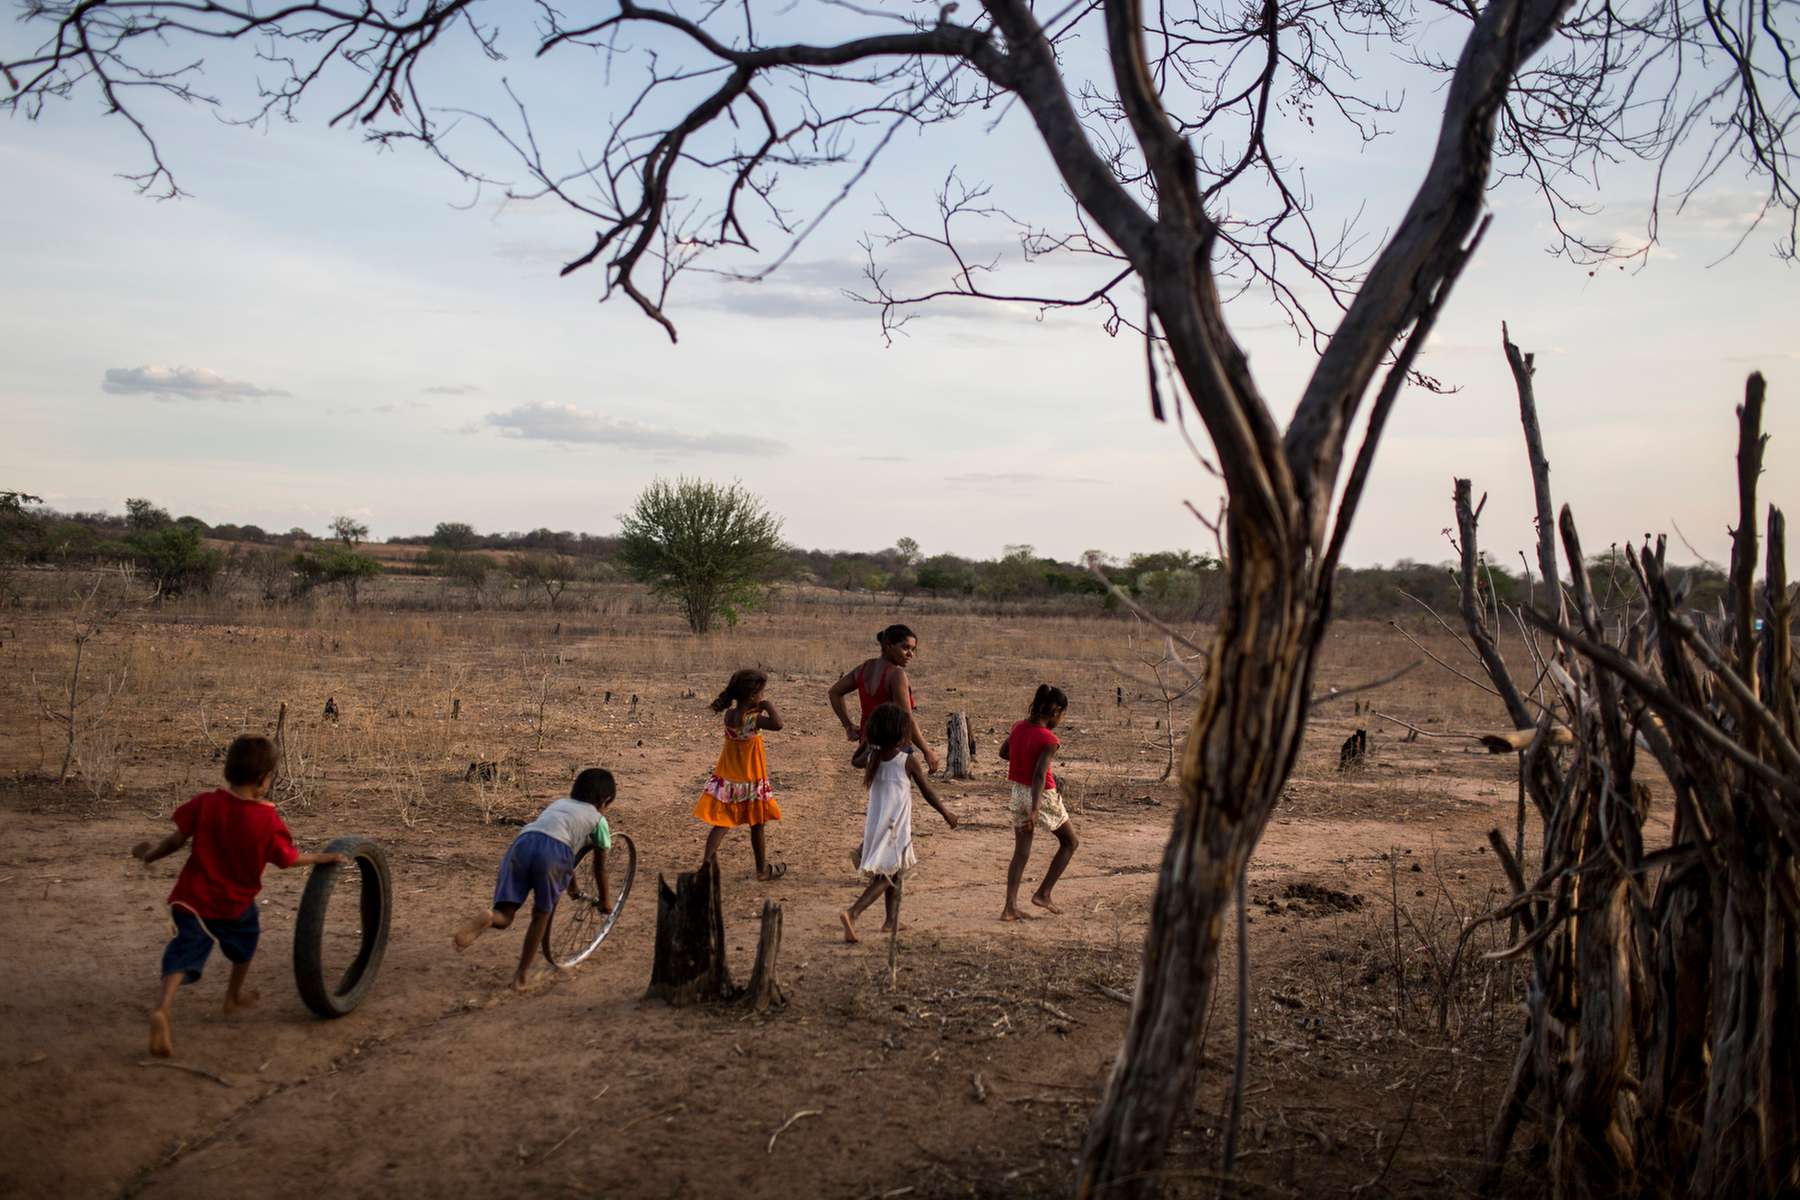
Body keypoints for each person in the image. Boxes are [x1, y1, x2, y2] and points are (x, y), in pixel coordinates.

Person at [130, 734, 347, 1058]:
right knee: (245, 946)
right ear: (262, 781)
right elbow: (287, 859)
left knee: (182, 953)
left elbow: (176, 841)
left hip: (190, 901)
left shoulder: (205, 804)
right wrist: (319, 857)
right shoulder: (266, 821)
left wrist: (149, 856)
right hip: (233, 906)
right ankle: (233, 995)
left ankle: (162, 1007)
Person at [454, 767, 616, 990]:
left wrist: (573, 887)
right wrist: (606, 900)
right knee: (541, 915)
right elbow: (598, 868)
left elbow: (565, 853)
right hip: (554, 853)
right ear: (605, 801)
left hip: (523, 843)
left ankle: (490, 916)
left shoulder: (559, 805)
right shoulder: (598, 821)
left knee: (506, 915)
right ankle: (521, 976)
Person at [840, 702, 958, 944]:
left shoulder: (872, 756)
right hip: (895, 826)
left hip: (876, 823)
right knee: (888, 874)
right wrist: (946, 812)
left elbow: (854, 760)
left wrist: (868, 741)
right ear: (901, 735)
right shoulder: (906, 761)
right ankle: (853, 913)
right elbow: (928, 793)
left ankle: (890, 920)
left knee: (896, 869)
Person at [692, 669, 788, 880]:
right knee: (757, 826)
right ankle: (762, 870)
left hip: (729, 780)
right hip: (751, 780)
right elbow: (778, 724)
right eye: (761, 693)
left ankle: (706, 864)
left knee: (722, 824)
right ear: (754, 696)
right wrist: (768, 706)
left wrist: (756, 704)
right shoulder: (753, 719)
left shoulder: (729, 716)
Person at [999, 684, 1080, 921]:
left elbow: (1004, 753)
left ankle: (1009, 907)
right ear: (1056, 711)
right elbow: (1039, 775)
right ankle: (1043, 893)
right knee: (1070, 842)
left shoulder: (1018, 727)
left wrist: (1023, 757)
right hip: (1041, 796)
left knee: (1021, 851)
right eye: (1062, 715)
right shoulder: (1049, 739)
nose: (1061, 720)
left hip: (1018, 793)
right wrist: (1035, 810)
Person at [828, 623, 942, 773]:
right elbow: (906, 718)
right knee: (896, 794)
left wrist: (848, 726)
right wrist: (927, 751)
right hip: (893, 747)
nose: (910, 654)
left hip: (869, 746)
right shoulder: (896, 675)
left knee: (878, 793)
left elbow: (834, 692)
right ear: (888, 645)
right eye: (905, 648)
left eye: (913, 650)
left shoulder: (864, 668)